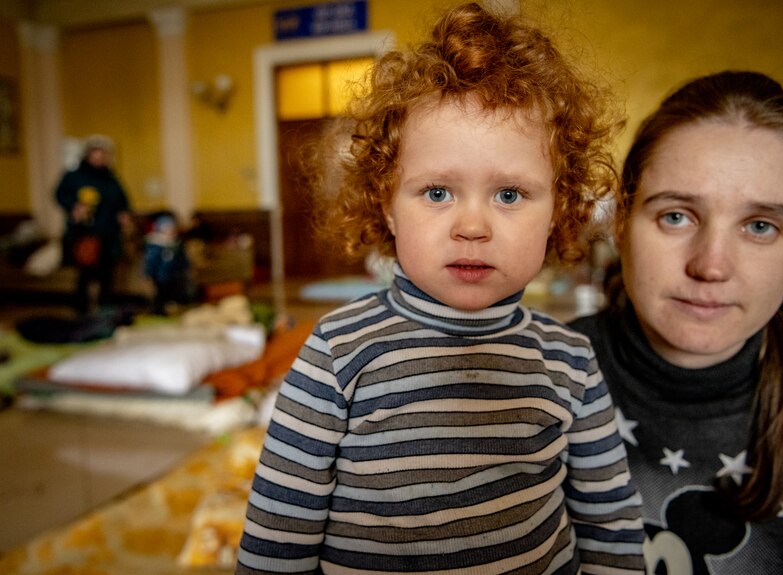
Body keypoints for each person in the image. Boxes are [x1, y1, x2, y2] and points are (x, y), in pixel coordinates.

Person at [236, 3, 644, 574]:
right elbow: (278, 537)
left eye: (509, 195)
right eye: (436, 193)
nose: (472, 226)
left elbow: (611, 527)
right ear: (388, 205)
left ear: (558, 209)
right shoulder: (338, 352)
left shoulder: (571, 359)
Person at [569, 70, 783, 574]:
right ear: (622, 219)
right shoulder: (531, 379)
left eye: (760, 227)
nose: (711, 265)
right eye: (676, 216)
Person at [55, 134, 132, 314]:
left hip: (109, 234)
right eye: (95, 154)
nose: (99, 158)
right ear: (87, 155)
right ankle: (81, 311)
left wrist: (124, 214)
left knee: (107, 274)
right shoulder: (74, 176)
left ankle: (105, 310)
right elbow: (59, 195)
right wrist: (74, 207)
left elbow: (123, 201)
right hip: (85, 233)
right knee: (86, 274)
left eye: (102, 154)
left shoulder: (111, 178)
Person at [143, 211, 191, 315]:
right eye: (167, 228)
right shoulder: (156, 244)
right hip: (160, 275)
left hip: (173, 275)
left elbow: (181, 259)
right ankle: (158, 309)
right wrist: (149, 274)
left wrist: (186, 267)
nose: (170, 231)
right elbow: (151, 261)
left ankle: (168, 308)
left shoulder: (175, 244)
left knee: (171, 293)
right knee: (159, 294)